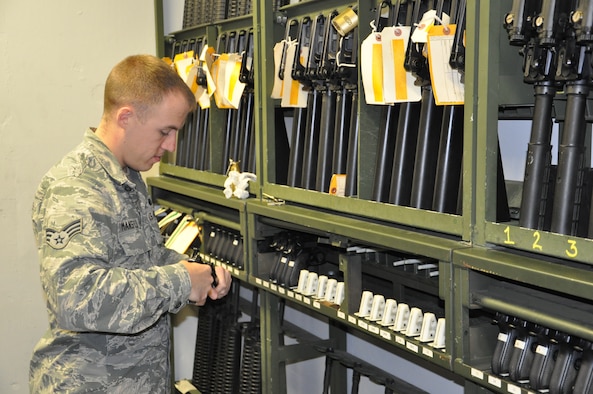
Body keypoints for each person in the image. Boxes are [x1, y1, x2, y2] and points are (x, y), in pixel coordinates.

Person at [30, 54, 232, 393]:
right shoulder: (76, 186)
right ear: (126, 117)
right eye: (165, 131)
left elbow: (140, 259)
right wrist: (180, 282)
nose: (170, 146)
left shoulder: (128, 177)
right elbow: (76, 299)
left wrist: (194, 271)